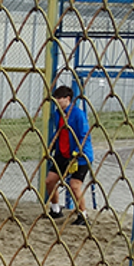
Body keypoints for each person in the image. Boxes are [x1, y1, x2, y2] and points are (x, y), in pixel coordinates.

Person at [44, 84, 94, 226]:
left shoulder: (78, 114)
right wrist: (52, 145)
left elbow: (84, 135)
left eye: (60, 98)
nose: (57, 101)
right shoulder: (58, 114)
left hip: (79, 156)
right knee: (50, 181)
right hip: (63, 153)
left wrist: (78, 153)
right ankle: (55, 210)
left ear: (68, 99)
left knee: (74, 185)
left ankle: (83, 216)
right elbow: (60, 131)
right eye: (56, 98)